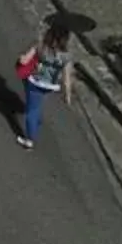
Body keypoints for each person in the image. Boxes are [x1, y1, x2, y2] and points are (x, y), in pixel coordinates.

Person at [16, 18, 75, 147]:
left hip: (34, 81)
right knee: (36, 103)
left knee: (31, 111)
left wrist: (21, 58)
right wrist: (67, 96)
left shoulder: (41, 46)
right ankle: (35, 118)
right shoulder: (66, 56)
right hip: (49, 85)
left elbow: (24, 61)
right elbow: (66, 79)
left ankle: (30, 138)